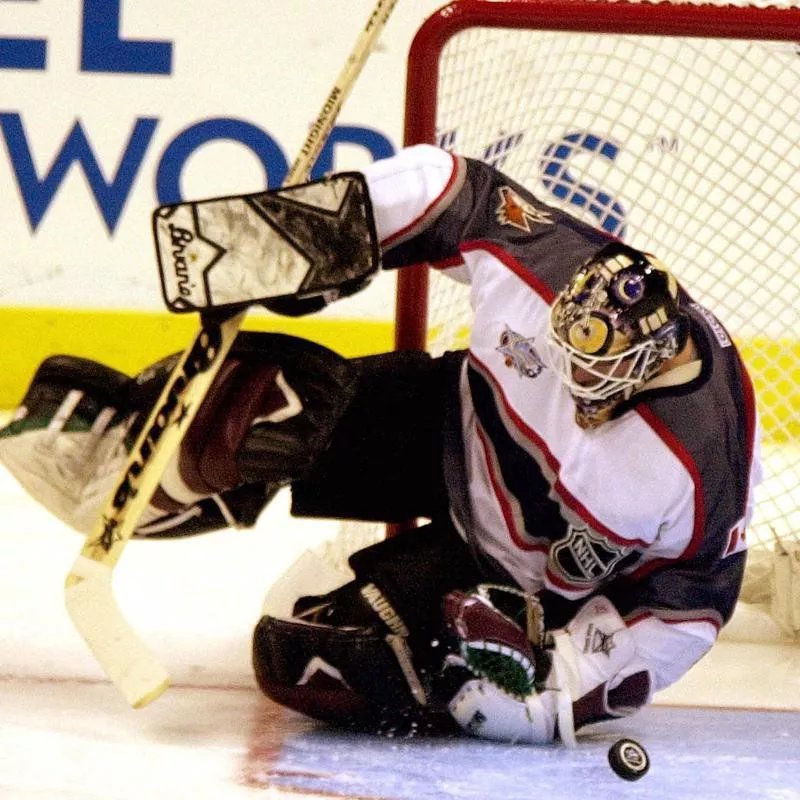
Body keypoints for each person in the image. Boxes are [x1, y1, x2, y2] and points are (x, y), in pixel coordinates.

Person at [0, 144, 761, 745]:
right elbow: (454, 188)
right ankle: (122, 468)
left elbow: (692, 601)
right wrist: (299, 234)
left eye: (597, 371)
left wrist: (560, 685)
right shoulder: (552, 270)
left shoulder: (701, 458)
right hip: (447, 426)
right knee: (266, 402)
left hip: (506, 580)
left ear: (653, 360)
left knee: (311, 667)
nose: (574, 380)